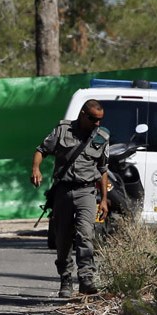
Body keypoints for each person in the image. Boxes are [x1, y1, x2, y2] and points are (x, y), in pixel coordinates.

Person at [31, 99, 110, 298]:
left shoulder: (102, 136)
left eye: (100, 119)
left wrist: (103, 199)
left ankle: (86, 279)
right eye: (93, 119)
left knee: (85, 234)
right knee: (63, 238)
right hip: (63, 191)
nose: (97, 123)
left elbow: (102, 169)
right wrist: (36, 169)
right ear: (83, 114)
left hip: (86, 192)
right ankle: (66, 279)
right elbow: (42, 150)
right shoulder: (63, 130)